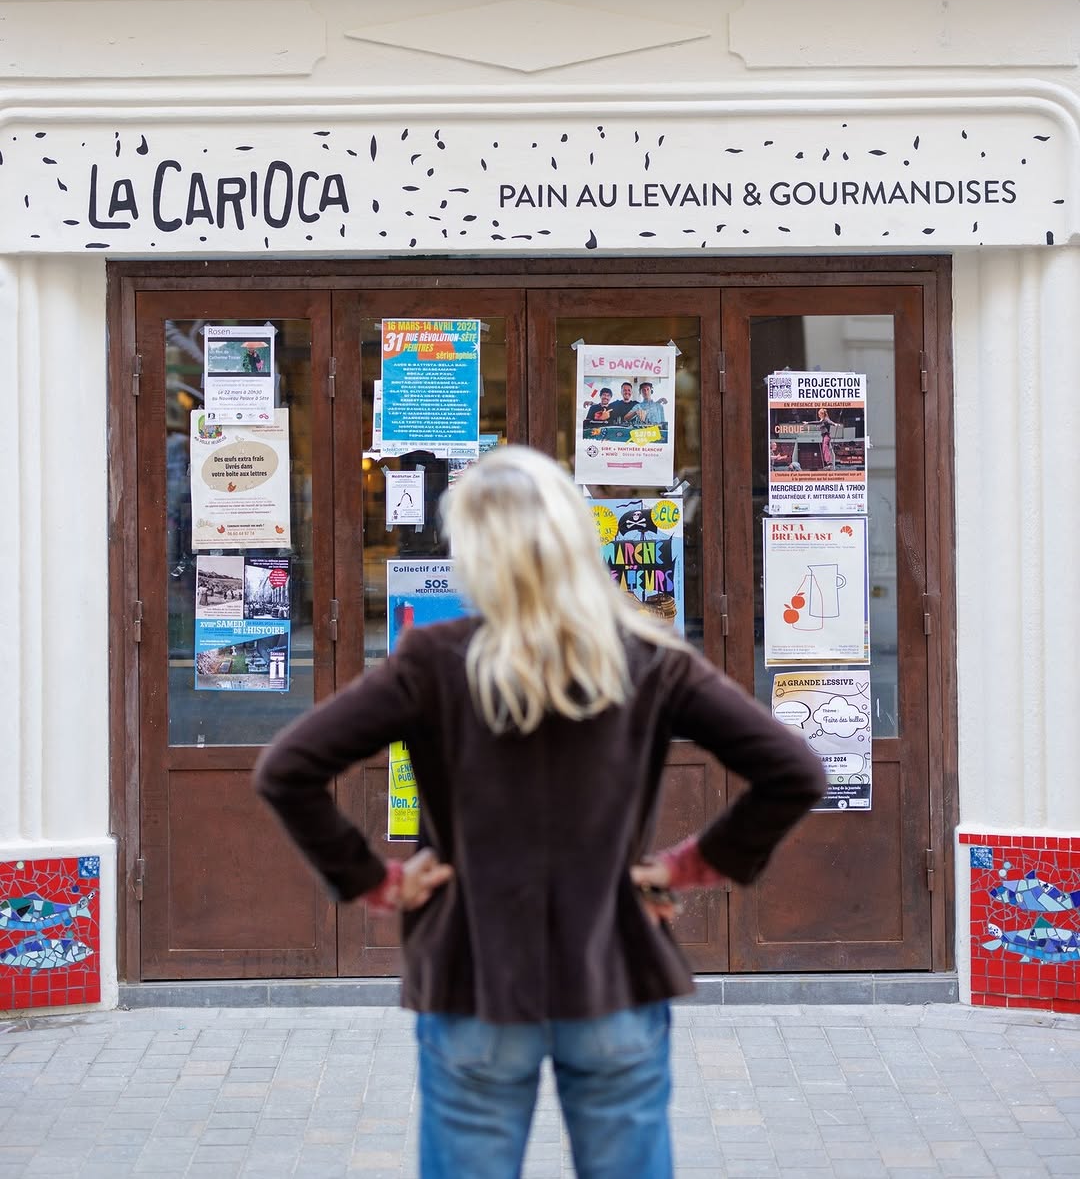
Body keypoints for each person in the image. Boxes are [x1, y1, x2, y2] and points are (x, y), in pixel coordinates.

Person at [253, 446, 825, 1179]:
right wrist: (690, 867)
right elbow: (794, 771)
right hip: (612, 971)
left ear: (475, 553)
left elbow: (287, 769)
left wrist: (377, 881)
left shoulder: (433, 660)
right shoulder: (647, 657)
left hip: (475, 979)